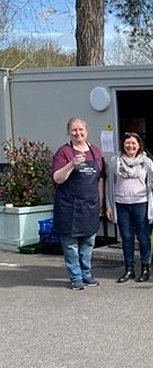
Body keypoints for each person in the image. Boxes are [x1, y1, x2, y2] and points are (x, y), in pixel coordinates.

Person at [51, 117, 104, 290]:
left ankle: (87, 275)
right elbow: (57, 178)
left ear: (86, 131)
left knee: (88, 244)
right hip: (68, 207)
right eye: (74, 130)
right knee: (71, 246)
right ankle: (76, 277)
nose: (78, 133)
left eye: (81, 130)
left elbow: (99, 178)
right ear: (69, 132)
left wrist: (101, 201)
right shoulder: (63, 152)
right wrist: (71, 164)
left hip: (89, 206)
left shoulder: (95, 151)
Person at [105, 132, 153, 283]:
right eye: (127, 143)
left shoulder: (146, 162)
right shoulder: (115, 161)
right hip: (121, 204)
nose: (130, 146)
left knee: (143, 238)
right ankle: (129, 269)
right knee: (127, 238)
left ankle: (145, 268)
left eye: (134, 143)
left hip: (140, 204)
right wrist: (109, 206)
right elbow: (110, 185)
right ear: (123, 144)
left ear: (139, 145)